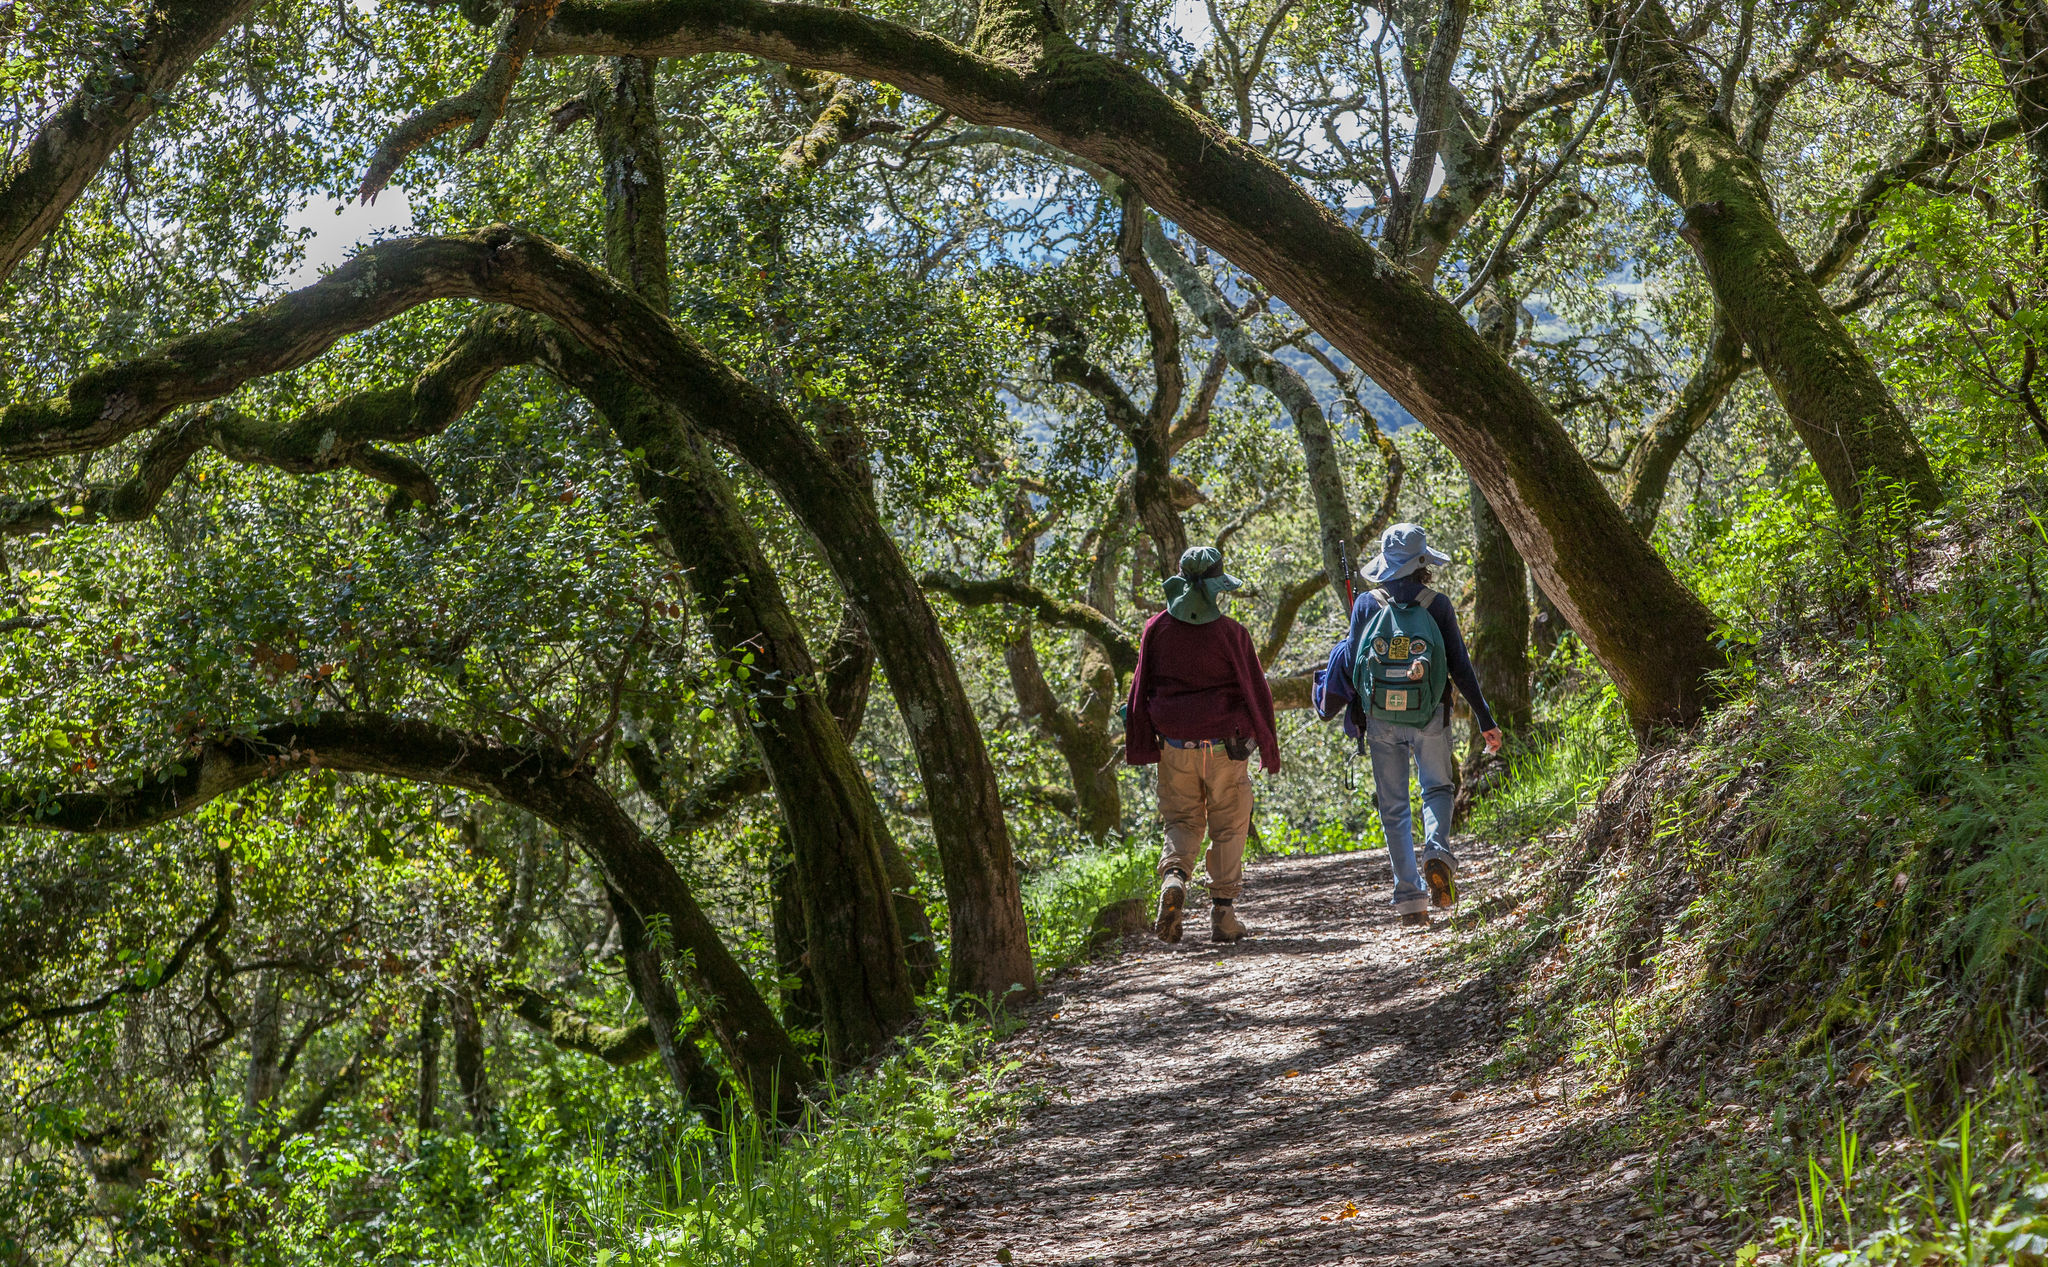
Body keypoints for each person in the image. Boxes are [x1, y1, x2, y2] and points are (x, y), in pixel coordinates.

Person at [1316, 523, 1502, 928]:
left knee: (1394, 806)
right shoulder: (1437, 604)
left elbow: (1351, 665)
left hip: (1381, 719)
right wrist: (1486, 720)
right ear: (1423, 564)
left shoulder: (1366, 604)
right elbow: (1460, 668)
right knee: (1437, 788)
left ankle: (1410, 900)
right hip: (1429, 713)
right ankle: (1436, 850)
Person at [1125, 546, 1280, 944]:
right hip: (1225, 749)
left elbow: (1140, 688)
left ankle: (1174, 878)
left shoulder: (1156, 628)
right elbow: (1257, 691)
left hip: (1174, 746)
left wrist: (1140, 741)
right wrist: (1267, 744)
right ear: (1216, 586)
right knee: (1229, 823)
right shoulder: (1232, 633)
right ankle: (1223, 918)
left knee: (1182, 821)